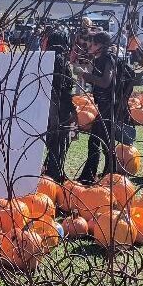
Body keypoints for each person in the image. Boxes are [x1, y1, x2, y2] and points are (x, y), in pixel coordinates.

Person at [76, 32, 123, 184]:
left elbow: (105, 82)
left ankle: (100, 175)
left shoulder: (108, 59)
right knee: (102, 141)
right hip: (105, 105)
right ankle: (107, 174)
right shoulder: (100, 59)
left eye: (94, 44)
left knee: (100, 141)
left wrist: (85, 76)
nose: (91, 46)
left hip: (109, 106)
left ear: (102, 46)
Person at [44, 27, 75, 181]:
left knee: (52, 142)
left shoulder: (44, 60)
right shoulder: (61, 61)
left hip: (47, 107)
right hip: (60, 108)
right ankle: (54, 173)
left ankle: (51, 169)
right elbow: (64, 89)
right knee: (61, 141)